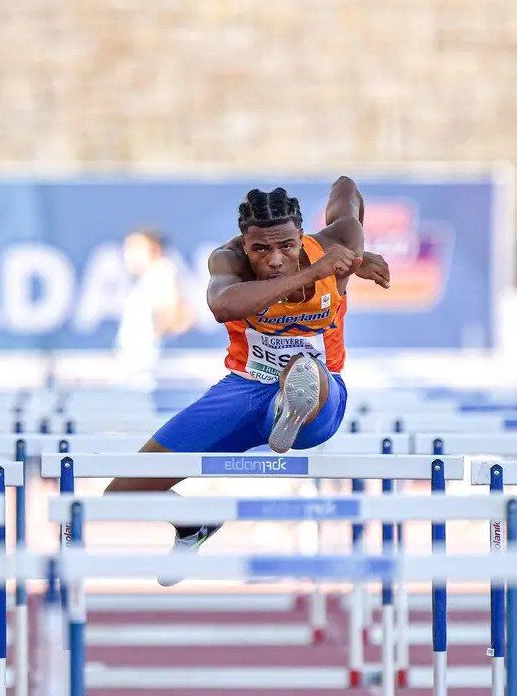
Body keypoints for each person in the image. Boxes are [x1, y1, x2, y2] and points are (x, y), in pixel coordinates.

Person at [106, 177, 390, 561]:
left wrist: (358, 258)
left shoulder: (338, 240)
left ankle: (289, 409)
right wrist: (312, 272)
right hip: (242, 390)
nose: (274, 259)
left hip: (321, 397)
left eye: (287, 246)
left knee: (303, 368)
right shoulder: (228, 260)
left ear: (302, 235)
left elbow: (346, 188)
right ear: (244, 243)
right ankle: (194, 521)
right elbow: (223, 305)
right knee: (120, 496)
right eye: (260, 249)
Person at [114, 229, 193, 389]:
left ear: (154, 248)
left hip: (145, 367)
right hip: (138, 363)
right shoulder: (149, 277)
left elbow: (174, 314)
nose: (128, 254)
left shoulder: (161, 272)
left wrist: (150, 343)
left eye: (135, 248)